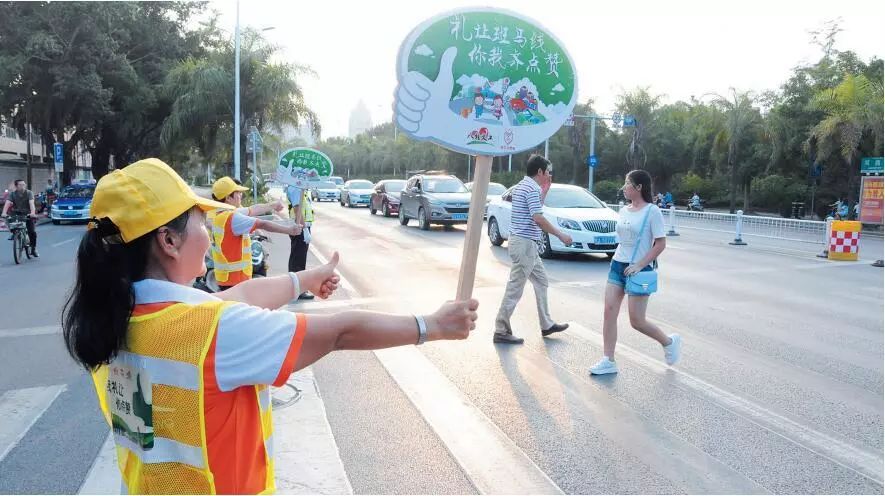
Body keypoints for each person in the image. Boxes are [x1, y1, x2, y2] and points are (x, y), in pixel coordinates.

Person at [62, 158, 478, 495]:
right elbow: (339, 331)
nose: (208, 235)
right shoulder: (212, 332)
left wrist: (304, 280)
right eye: (200, 223)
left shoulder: (113, 319)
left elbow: (239, 297)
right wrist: (432, 325)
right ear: (168, 241)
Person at [589, 170, 682, 375]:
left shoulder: (652, 211)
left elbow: (660, 244)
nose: (624, 187)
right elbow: (623, 240)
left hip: (639, 270)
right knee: (608, 312)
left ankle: (668, 342)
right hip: (617, 265)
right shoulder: (624, 210)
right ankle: (608, 360)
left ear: (639, 187)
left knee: (636, 321)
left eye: (627, 183)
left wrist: (640, 264)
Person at [494, 154, 572, 344]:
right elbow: (538, 217)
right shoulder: (530, 189)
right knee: (515, 289)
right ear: (540, 171)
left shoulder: (525, 186)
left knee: (542, 281)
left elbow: (535, 209)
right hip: (525, 245)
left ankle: (546, 324)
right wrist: (560, 235)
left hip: (526, 245)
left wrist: (544, 191)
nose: (549, 175)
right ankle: (501, 330)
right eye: (548, 172)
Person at [209, 176, 301, 291]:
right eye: (237, 192)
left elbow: (253, 209)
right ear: (228, 198)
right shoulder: (232, 218)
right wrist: (289, 230)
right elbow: (262, 224)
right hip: (235, 280)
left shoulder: (220, 214)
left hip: (227, 278)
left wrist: (272, 205)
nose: (240, 195)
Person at [287, 184, 315, 300]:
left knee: (299, 257)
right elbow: (297, 209)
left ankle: (297, 288)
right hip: (299, 227)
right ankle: (297, 290)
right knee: (298, 259)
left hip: (301, 226)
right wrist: (304, 229)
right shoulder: (295, 188)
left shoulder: (300, 187)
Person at [2, 179, 39, 257]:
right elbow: (7, 203)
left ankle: (33, 248)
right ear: (16, 186)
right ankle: (16, 235)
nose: (22, 186)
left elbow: (31, 203)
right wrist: (4, 213)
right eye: (20, 185)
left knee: (32, 231)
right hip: (16, 213)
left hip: (28, 214)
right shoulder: (12, 194)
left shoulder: (29, 193)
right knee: (11, 223)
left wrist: (32, 213)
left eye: (23, 184)